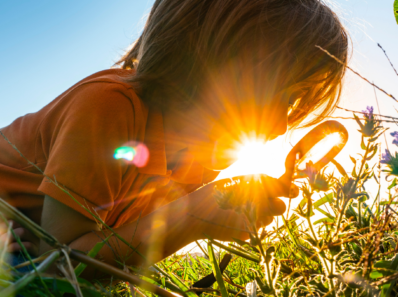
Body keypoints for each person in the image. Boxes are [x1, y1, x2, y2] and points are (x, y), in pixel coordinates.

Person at [0, 0, 348, 280]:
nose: (281, 125)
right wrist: (191, 218)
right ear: (201, 60)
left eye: (294, 103)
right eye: (279, 95)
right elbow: (59, 266)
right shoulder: (109, 107)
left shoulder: (199, 162)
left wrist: (211, 216)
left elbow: (117, 251)